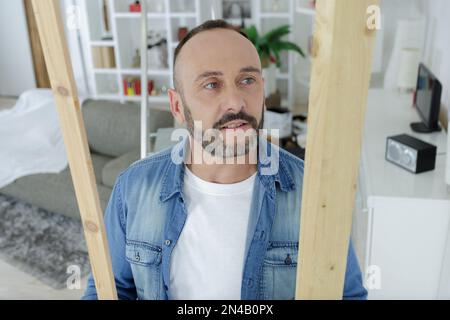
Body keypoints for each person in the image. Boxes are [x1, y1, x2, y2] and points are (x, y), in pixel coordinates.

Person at [82, 19, 367, 300]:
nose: (236, 101)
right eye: (211, 84)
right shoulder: (133, 189)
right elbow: (109, 291)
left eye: (247, 80)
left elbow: (347, 295)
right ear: (177, 106)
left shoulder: (315, 194)